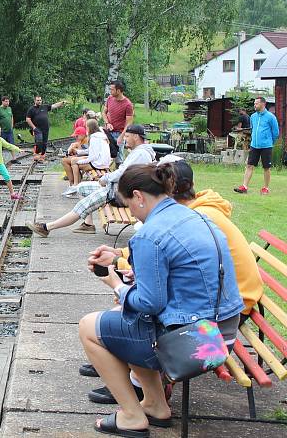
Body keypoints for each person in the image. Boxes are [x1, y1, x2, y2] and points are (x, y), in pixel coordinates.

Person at [82, 157, 264, 405]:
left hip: (201, 342)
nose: (132, 213)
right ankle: (152, 403)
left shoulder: (151, 233)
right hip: (223, 330)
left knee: (94, 324)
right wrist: (128, 267)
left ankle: (132, 414)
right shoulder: (197, 216)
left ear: (138, 196)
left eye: (129, 206)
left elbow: (149, 303)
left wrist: (116, 283)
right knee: (126, 312)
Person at [30, 124, 154, 236]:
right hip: (116, 187)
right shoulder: (139, 151)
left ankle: (47, 228)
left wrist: (105, 178)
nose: (124, 138)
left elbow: (123, 173)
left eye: (127, 136)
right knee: (80, 188)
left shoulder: (140, 154)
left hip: (119, 193)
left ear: (136, 137)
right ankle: (88, 224)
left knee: (83, 205)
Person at [234, 96, 279, 195]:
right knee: (249, 165)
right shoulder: (253, 117)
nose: (255, 105)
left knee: (266, 167)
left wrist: (269, 142)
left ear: (263, 104)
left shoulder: (271, 117)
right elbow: (253, 129)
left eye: (257, 103)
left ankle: (266, 188)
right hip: (254, 145)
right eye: (254, 103)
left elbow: (275, 132)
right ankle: (244, 187)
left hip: (266, 146)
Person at [62, 119, 111, 197]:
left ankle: (75, 186)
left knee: (74, 162)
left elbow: (93, 156)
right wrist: (78, 152)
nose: (86, 129)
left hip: (98, 163)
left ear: (90, 127)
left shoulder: (94, 138)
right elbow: (92, 151)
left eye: (86, 127)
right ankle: (75, 186)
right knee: (74, 160)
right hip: (102, 161)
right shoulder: (100, 136)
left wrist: (80, 162)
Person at [25, 95, 66, 161]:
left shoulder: (45, 107)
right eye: (38, 100)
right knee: (39, 141)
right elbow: (28, 119)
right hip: (37, 128)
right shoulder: (31, 109)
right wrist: (34, 127)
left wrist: (62, 102)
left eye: (40, 100)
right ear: (35, 101)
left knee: (44, 142)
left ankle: (42, 156)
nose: (39, 101)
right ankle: (37, 154)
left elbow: (54, 106)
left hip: (45, 128)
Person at [103, 80, 134, 161]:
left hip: (119, 134)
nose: (110, 91)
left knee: (118, 159)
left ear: (119, 91)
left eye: (112, 89)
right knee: (104, 156)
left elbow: (129, 123)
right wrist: (107, 123)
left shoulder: (128, 104)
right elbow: (104, 112)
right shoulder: (109, 99)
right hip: (107, 132)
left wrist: (122, 136)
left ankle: (121, 172)